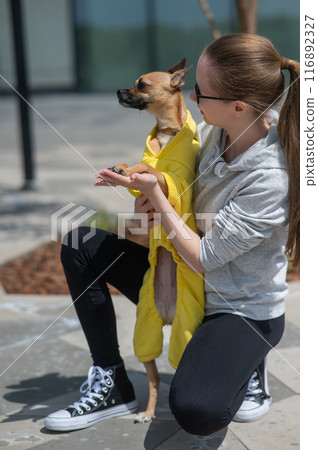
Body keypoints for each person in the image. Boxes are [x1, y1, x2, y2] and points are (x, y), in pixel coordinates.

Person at [44, 33, 299, 434]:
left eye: (202, 92)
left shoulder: (269, 177)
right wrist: (144, 207)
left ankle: (247, 360)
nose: (192, 99)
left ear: (237, 107)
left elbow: (204, 255)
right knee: (80, 243)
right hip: (182, 279)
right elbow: (169, 215)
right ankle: (111, 378)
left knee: (196, 411)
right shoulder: (212, 136)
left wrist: (157, 201)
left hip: (235, 307)